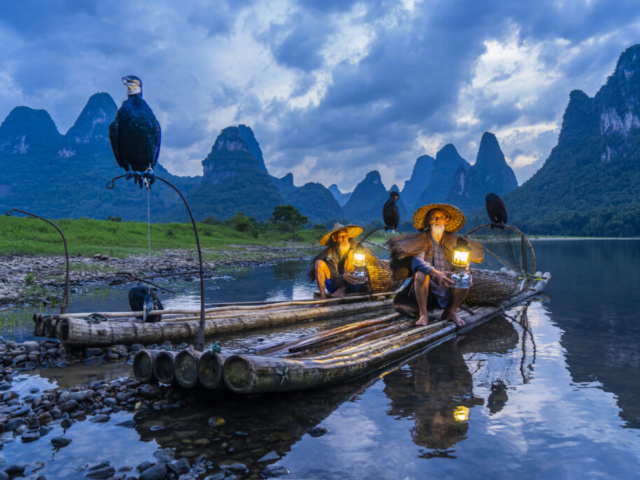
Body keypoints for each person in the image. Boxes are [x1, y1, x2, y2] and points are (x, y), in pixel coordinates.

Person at [386, 203, 483, 328]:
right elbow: (417, 261)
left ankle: (452, 311)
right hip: (428, 288)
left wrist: (466, 272)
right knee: (421, 274)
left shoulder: (453, 241)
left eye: (441, 217)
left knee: (465, 277)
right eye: (434, 217)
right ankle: (423, 313)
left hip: (447, 284)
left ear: (446, 221)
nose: (437, 220)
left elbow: (465, 262)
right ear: (428, 220)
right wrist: (436, 274)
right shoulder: (422, 240)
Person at [307, 223, 369, 301]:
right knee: (319, 263)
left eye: (346, 236)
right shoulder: (331, 255)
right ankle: (323, 300)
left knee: (351, 254)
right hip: (334, 287)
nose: (344, 238)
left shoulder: (353, 253)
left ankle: (343, 288)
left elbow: (362, 269)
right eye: (340, 236)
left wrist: (364, 275)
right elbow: (333, 277)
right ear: (334, 238)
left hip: (352, 283)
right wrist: (343, 277)